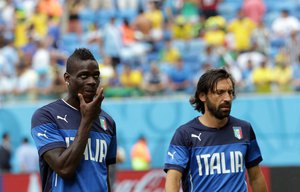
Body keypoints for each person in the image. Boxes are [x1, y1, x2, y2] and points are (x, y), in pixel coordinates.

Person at [164, 68, 267, 192]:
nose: (227, 98)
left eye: (230, 92)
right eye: (220, 92)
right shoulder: (184, 134)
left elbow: (255, 177)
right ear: (203, 96)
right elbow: (173, 179)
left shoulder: (244, 129)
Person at [31, 48, 117, 192]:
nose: (92, 81)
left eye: (96, 76)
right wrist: (87, 120)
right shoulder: (46, 116)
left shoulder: (107, 121)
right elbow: (64, 168)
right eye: (84, 76)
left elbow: (105, 175)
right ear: (67, 78)